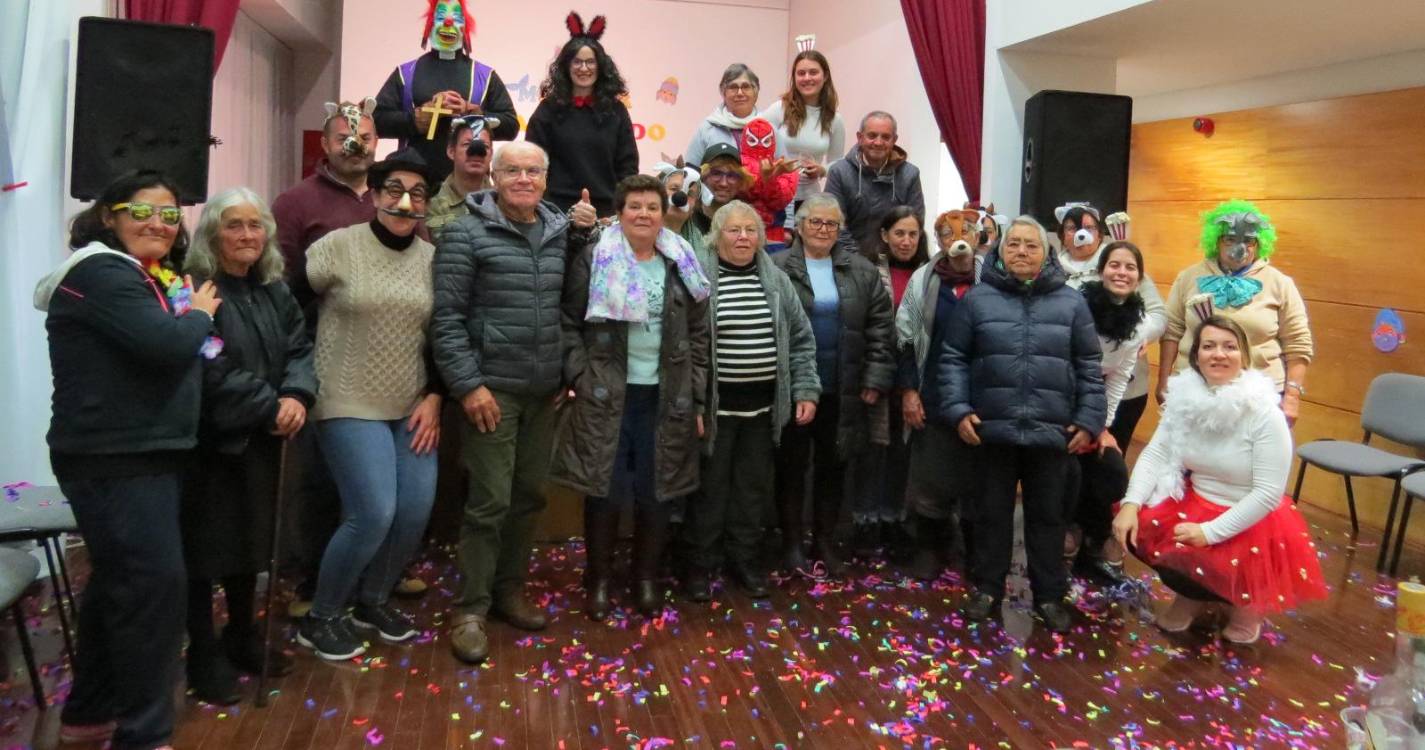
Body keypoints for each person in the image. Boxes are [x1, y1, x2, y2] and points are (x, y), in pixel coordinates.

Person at [34, 170, 222, 750]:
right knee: (152, 593)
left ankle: (89, 714)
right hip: (116, 458)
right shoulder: (101, 274)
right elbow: (168, 347)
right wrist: (200, 314)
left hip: (137, 454)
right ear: (109, 216)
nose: (159, 225)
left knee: (121, 586)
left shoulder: (144, 278)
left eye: (170, 215)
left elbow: (195, 357)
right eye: (142, 212)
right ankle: (142, 735)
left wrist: (191, 323)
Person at [433, 141, 597, 663]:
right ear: (495, 178)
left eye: (534, 171)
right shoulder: (464, 233)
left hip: (544, 391)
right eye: (513, 171)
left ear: (546, 180)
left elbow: (571, 303)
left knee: (528, 497)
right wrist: (468, 386)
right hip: (491, 392)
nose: (524, 179)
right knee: (489, 502)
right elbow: (447, 320)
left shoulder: (556, 233)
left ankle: (509, 591)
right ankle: (470, 609)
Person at [296, 148, 444, 661]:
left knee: (414, 510)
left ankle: (372, 600)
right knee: (374, 511)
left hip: (410, 402)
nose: (406, 202)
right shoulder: (336, 248)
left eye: (418, 193)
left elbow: (442, 336)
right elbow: (289, 308)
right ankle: (321, 615)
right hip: (344, 397)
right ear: (376, 196)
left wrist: (435, 395)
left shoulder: (431, 258)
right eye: (395, 190)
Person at [553, 174, 711, 619]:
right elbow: (569, 323)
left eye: (652, 207)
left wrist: (696, 398)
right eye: (634, 206)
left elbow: (699, 334)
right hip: (606, 397)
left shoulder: (681, 261)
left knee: (657, 492)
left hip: (666, 397)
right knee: (604, 491)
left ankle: (646, 579)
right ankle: (598, 580)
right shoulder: (593, 258)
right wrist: (581, 375)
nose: (644, 214)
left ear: (665, 213)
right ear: (618, 214)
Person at [1113, 316, 1327, 644]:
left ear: (1244, 356)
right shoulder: (1184, 399)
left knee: (1228, 575)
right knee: (1151, 530)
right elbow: (1156, 454)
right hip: (1196, 500)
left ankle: (1246, 604)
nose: (1219, 354)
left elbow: (1269, 493)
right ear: (1196, 355)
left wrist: (1209, 532)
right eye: (1208, 346)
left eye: (1230, 347)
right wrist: (1131, 503)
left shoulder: (1265, 413)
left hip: (1251, 513)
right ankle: (1193, 595)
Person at [180, 188, 315, 704]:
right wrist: (269, 403)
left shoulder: (274, 290)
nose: (246, 235)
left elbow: (300, 348)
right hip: (212, 443)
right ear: (212, 233)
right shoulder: (195, 290)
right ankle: (203, 653)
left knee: (248, 545)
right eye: (233, 225)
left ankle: (241, 634)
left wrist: (297, 395)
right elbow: (208, 363)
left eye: (255, 225)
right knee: (204, 552)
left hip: (264, 439)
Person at [939, 216, 1105, 634]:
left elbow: (1089, 366)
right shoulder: (977, 300)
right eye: (1013, 245)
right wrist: (958, 409)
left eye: (1032, 246)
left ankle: (1049, 596)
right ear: (999, 250)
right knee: (991, 515)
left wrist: (1088, 419)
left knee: (1048, 517)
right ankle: (987, 590)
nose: (1022, 252)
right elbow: (953, 358)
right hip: (991, 429)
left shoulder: (1071, 302)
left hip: (1054, 433)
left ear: (1046, 253)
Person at [681, 200, 819, 600]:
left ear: (761, 237)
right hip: (715, 411)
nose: (743, 237)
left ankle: (744, 561)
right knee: (709, 492)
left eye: (751, 231)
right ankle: (700, 567)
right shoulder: (699, 280)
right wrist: (693, 403)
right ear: (716, 235)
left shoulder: (776, 280)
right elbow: (685, 346)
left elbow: (800, 339)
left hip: (763, 411)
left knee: (751, 490)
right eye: (733, 230)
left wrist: (806, 389)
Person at [772, 194, 893, 576]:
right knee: (790, 468)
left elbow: (880, 330)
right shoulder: (775, 267)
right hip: (791, 388)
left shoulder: (862, 270)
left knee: (833, 468)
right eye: (816, 222)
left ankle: (824, 541)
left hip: (844, 388)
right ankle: (791, 543)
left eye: (831, 224)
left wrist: (874, 379)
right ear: (800, 226)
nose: (823, 230)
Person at [1157, 200, 1313, 425]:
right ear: (1216, 241)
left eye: (1249, 240)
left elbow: (1298, 342)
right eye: (1230, 238)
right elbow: (1171, 331)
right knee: (1186, 457)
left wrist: (1292, 396)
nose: (1240, 247)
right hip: (1193, 390)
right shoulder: (1188, 277)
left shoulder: (1280, 283)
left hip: (1258, 395)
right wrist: (1164, 382)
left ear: (1259, 244)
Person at [898, 209, 981, 581]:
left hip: (984, 397)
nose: (956, 241)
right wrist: (909, 391)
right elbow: (904, 338)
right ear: (940, 240)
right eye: (946, 235)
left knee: (979, 480)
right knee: (932, 477)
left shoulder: (995, 279)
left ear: (979, 238)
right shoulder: (923, 280)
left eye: (964, 233)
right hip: (932, 393)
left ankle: (973, 553)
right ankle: (930, 549)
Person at [1064, 241, 1153, 584]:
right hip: (1063, 397)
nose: (1122, 272)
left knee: (1111, 469)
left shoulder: (1139, 322)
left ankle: (1094, 538)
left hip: (1096, 400)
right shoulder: (1077, 306)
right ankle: (1064, 532)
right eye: (1114, 265)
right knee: (1067, 469)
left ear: (1139, 277)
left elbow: (1117, 379)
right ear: (1101, 271)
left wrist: (1102, 426)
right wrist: (1078, 419)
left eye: (1130, 267)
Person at [848, 206, 927, 560]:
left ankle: (894, 517)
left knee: (903, 452)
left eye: (913, 234)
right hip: (874, 373)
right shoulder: (866, 271)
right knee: (871, 450)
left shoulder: (929, 275)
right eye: (899, 233)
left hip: (914, 378)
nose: (906, 241)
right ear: (884, 235)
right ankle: (865, 519)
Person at [373, 0, 519, 183]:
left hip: (471, 187)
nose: (448, 23)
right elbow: (376, 120)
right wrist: (414, 121)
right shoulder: (406, 73)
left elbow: (511, 125)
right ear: (430, 24)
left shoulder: (484, 75)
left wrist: (474, 113)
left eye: (456, 18)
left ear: (465, 27)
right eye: (440, 17)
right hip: (416, 183)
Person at [524, 12, 638, 217]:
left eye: (590, 62)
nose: (584, 68)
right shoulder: (547, 110)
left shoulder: (616, 111)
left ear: (600, 66)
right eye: (577, 62)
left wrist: (620, 211)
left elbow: (627, 167)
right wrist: (543, 208)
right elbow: (533, 163)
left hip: (606, 213)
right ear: (566, 66)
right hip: (555, 213)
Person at [272, 100, 378, 310]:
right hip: (318, 333)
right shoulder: (293, 203)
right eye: (343, 139)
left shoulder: (396, 198)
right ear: (325, 144)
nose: (355, 146)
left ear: (376, 141)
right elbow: (279, 278)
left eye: (364, 138)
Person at [824, 111, 924, 259]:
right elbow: (835, 225)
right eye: (872, 136)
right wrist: (859, 264)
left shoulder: (910, 175)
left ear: (894, 140)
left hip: (895, 261)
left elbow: (914, 225)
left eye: (885, 137)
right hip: (848, 262)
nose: (878, 142)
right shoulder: (839, 172)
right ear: (859, 137)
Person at [765, 49, 846, 209]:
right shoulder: (779, 109)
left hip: (810, 201)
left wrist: (822, 170)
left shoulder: (834, 119)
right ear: (794, 78)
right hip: (776, 198)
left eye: (813, 72)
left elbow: (837, 162)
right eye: (801, 73)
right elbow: (755, 144)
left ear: (825, 76)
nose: (807, 78)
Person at [684, 63, 785, 167]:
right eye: (733, 87)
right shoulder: (708, 128)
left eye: (746, 87)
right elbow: (690, 171)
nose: (740, 93)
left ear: (755, 92)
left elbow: (784, 172)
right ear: (723, 92)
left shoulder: (768, 128)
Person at [427, 116, 494, 234]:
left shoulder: (504, 203)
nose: (476, 152)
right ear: (451, 151)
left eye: (484, 146)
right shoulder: (430, 202)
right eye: (467, 144)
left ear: (491, 154)